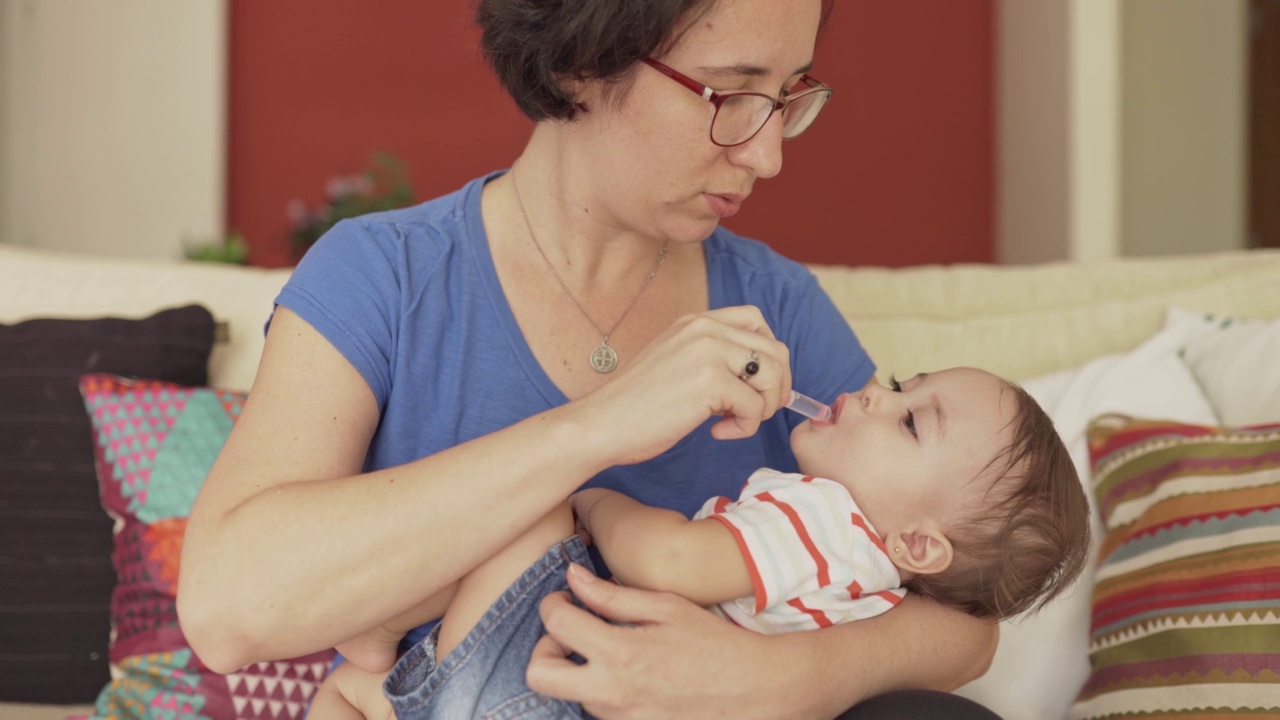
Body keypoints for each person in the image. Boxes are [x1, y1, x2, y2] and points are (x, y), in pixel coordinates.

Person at [178, 1, 1007, 718]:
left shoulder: (775, 305)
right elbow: (226, 609)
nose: (768, 154)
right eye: (732, 95)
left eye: (786, 98)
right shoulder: (384, 274)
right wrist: (599, 427)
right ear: (582, 61)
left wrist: (786, 680)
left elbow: (967, 615)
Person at [306, 367, 1091, 718]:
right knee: (350, 692)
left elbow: (671, 561)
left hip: (549, 697)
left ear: (919, 545)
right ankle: (384, 651)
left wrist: (593, 495)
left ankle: (382, 620)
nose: (876, 395)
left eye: (911, 420)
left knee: (535, 511)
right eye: (905, 383)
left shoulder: (827, 527)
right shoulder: (865, 584)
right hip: (531, 693)